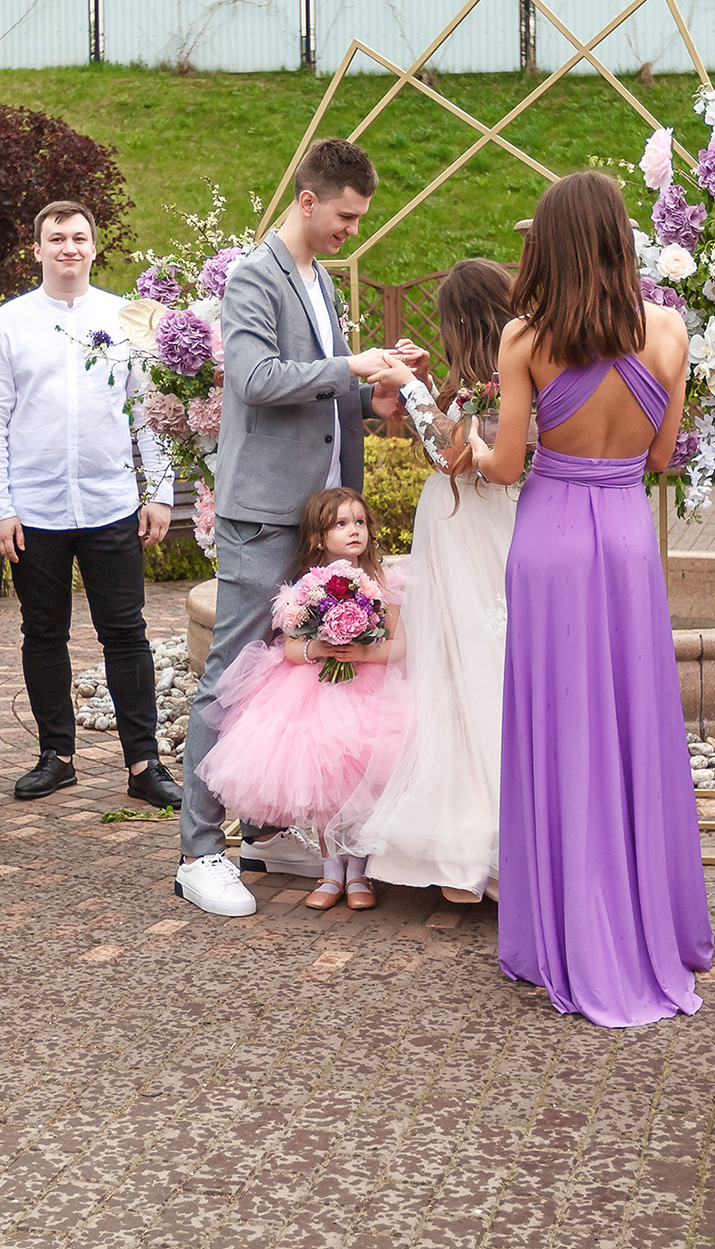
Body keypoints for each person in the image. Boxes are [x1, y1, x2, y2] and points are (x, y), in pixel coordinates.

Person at [472, 170, 715, 1029]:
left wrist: (461, 439)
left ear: (555, 241)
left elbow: (504, 467)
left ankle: (565, 929)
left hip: (550, 537)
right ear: (620, 238)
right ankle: (645, 915)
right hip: (624, 534)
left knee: (561, 724)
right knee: (632, 719)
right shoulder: (671, 329)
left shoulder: (524, 338)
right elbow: (662, 458)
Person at [173, 138, 414, 920]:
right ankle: (198, 854)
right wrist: (352, 366)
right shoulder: (253, 276)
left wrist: (366, 397)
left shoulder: (321, 281)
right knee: (233, 673)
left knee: (293, 675)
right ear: (308, 201)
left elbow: (316, 395)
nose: (351, 231)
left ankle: (264, 831)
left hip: (318, 512)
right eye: (345, 217)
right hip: (266, 511)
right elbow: (252, 379)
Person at [0, 201, 184, 809]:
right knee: (43, 633)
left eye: (79, 237)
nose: (68, 247)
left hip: (111, 503)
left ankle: (144, 763)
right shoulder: (9, 324)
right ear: (36, 250)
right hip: (33, 510)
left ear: (94, 248)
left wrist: (158, 493)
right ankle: (56, 755)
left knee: (127, 632)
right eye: (56, 238)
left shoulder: (125, 318)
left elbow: (153, 415)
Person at [352, 258, 516, 902]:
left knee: (479, 662)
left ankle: (481, 848)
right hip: (469, 530)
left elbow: (457, 455)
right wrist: (423, 383)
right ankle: (469, 848)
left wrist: (414, 392)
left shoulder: (514, 377)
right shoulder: (489, 378)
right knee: (457, 663)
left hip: (479, 528)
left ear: (460, 324)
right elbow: (459, 437)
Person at [195, 487, 414, 912]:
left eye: (360, 522)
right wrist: (322, 648)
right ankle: (331, 872)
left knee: (364, 782)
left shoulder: (383, 584)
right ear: (318, 538)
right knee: (326, 787)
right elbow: (293, 649)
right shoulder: (304, 589)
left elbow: (399, 645)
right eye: (341, 524)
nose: (354, 531)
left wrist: (362, 650)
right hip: (316, 694)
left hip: (369, 691)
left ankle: (360, 873)